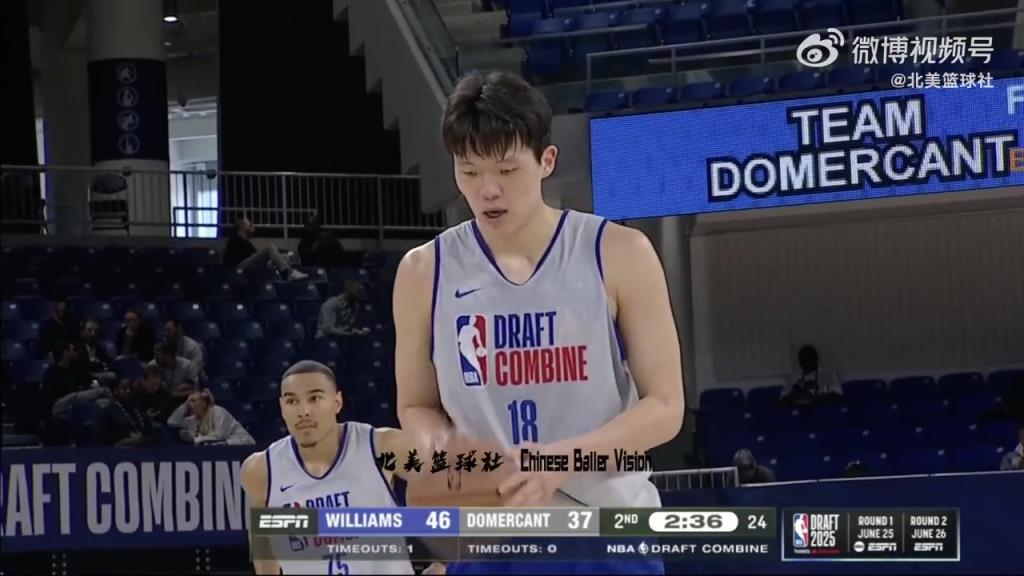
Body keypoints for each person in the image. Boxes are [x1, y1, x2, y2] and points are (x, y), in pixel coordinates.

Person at [393, 71, 684, 574]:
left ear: (546, 161)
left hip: (605, 528)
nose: (487, 190)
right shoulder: (423, 271)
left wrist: (560, 461)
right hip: (489, 535)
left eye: (506, 170)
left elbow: (665, 406)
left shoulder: (620, 252)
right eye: (469, 171)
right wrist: (444, 451)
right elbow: (416, 404)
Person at [240, 360, 507, 575]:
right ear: (282, 407)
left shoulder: (381, 448)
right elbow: (264, 542)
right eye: (292, 401)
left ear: (337, 402)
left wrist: (443, 561)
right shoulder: (261, 471)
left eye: (315, 398)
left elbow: (458, 485)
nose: (303, 411)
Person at [223, 217, 308, 281]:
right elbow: (238, 259)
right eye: (250, 225)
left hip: (246, 266)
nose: (254, 228)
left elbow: (253, 255)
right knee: (269, 248)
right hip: (238, 268)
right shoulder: (234, 241)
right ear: (243, 227)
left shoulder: (245, 242)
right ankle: (289, 272)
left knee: (274, 254)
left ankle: (287, 275)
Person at [167, 389, 254, 446]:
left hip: (241, 444)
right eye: (189, 402)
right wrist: (185, 405)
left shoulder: (218, 412)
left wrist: (195, 439)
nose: (190, 404)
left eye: (193, 401)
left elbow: (220, 436)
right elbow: (172, 422)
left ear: (204, 403)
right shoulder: (192, 420)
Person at [95, 379, 154, 447]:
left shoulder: (139, 408)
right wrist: (126, 435)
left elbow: (148, 429)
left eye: (130, 389)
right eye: (124, 389)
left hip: (144, 445)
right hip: (121, 447)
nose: (128, 391)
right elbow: (102, 434)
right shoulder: (109, 411)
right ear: (116, 391)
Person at [76, 319, 116, 385]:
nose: (93, 333)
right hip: (85, 377)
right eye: (89, 330)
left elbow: (109, 363)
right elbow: (81, 368)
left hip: (98, 376)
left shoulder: (99, 348)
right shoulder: (77, 348)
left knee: (112, 375)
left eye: (96, 331)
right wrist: (97, 365)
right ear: (83, 332)